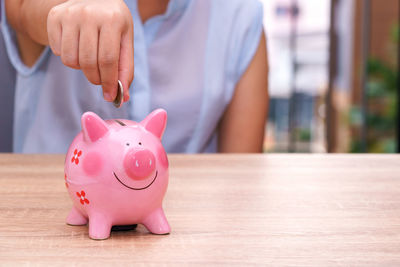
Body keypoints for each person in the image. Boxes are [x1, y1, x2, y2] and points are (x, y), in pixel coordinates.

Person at [1, 0, 269, 153]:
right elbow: (23, 9)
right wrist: (67, 12)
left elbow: (241, 177)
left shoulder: (239, 15)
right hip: (52, 229)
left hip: (186, 237)